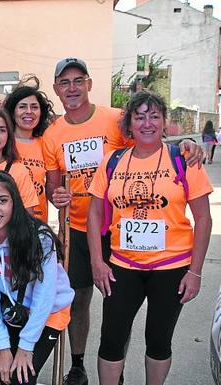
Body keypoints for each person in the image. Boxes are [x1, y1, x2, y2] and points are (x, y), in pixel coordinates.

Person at [42, 57, 202, 385]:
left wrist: (184, 146)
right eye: (64, 82)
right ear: (57, 89)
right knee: (81, 299)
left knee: (133, 320)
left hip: (121, 234)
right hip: (80, 229)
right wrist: (56, 196)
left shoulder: (115, 119)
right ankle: (77, 363)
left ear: (88, 83)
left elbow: (149, 143)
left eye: (78, 80)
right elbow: (53, 185)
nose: (72, 88)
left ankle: (121, 368)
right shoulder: (52, 134)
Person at [87, 91, 212, 385]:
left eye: (154, 116)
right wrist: (97, 262)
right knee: (111, 340)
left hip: (172, 268)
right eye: (139, 116)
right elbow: (94, 214)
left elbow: (204, 219)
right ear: (128, 124)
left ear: (164, 122)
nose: (147, 123)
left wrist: (195, 272)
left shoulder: (183, 158)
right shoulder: (112, 161)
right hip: (122, 266)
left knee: (158, 340)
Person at [0, 170, 74, 385]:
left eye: (2, 200)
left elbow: (44, 297)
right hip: (13, 310)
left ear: (15, 203)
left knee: (21, 377)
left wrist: (26, 347)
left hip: (49, 311)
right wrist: (3, 347)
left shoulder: (40, 237)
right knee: (0, 374)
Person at [2, 79, 56, 222]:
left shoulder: (46, 143)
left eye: (34, 107)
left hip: (38, 224)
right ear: (12, 112)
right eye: (22, 107)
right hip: (6, 224)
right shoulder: (1, 143)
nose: (29, 112)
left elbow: (52, 187)